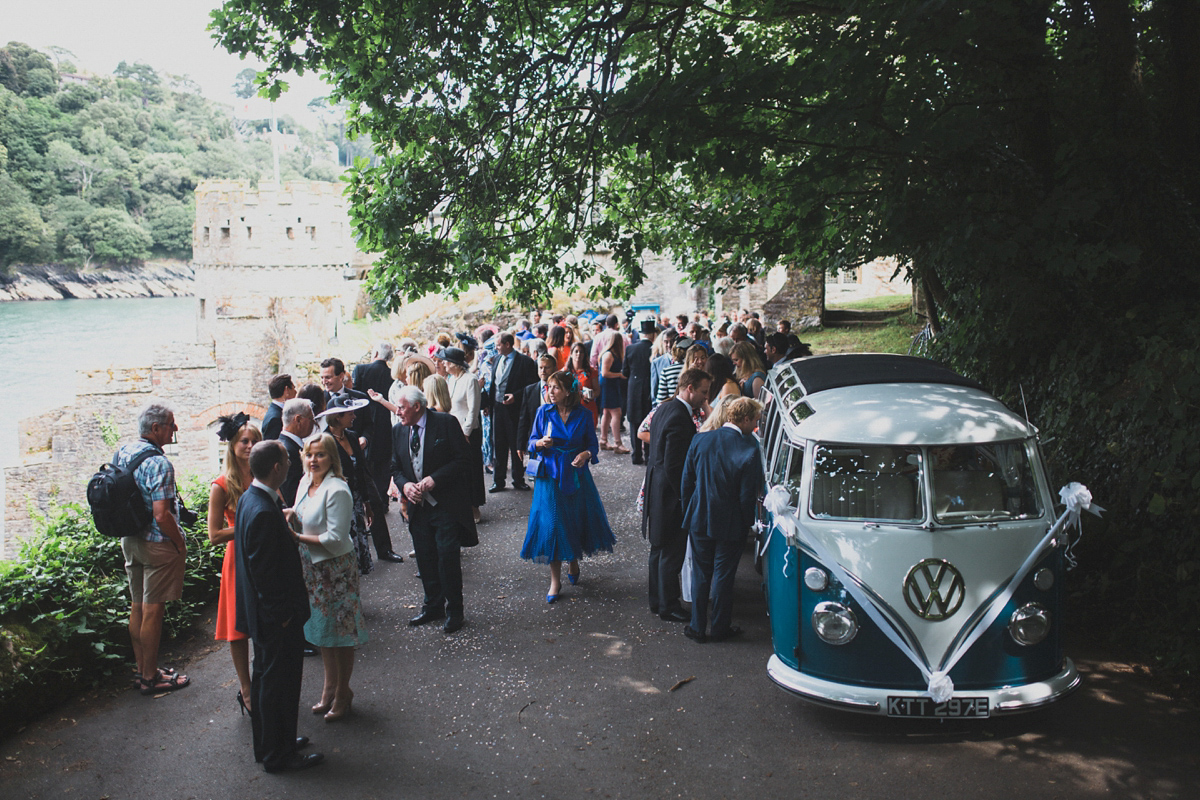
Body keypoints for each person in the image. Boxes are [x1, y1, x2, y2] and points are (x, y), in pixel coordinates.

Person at [235, 440, 323, 773]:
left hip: (265, 618)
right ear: (276, 468)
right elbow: (264, 573)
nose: (292, 462)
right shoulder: (260, 510)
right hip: (275, 619)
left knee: (269, 683)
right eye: (288, 459)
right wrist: (284, 616)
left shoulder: (252, 499)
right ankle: (278, 755)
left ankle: (275, 742)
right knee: (278, 686)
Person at [290, 434, 368, 722]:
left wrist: (296, 537)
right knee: (323, 630)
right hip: (312, 567)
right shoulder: (304, 483)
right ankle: (329, 686)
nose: (313, 460)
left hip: (335, 569)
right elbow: (301, 515)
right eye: (309, 455)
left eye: (320, 455)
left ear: (331, 457)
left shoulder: (337, 489)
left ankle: (343, 691)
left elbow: (336, 539)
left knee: (341, 631)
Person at [116, 403, 190, 696]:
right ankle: (150, 678)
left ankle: (142, 669)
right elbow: (162, 514)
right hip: (157, 544)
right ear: (156, 428)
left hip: (130, 540)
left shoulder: (123, 452)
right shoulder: (159, 463)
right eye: (172, 424)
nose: (175, 430)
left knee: (137, 606)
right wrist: (179, 541)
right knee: (153, 611)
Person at [521, 371, 615, 602]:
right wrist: (540, 443)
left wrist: (585, 454)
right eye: (549, 387)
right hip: (549, 474)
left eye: (555, 388)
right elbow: (531, 442)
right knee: (553, 525)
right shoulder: (543, 412)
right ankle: (555, 580)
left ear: (568, 391)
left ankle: (572, 560)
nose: (550, 392)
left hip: (575, 473)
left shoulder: (583, 414)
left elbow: (593, 445)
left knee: (573, 520)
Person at [392, 385, 478, 633]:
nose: (397, 412)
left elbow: (464, 460)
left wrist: (434, 479)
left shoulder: (445, 423)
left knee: (447, 557)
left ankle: (455, 611)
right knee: (425, 557)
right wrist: (405, 485)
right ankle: (433, 606)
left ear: (417, 407)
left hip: (446, 505)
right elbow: (395, 467)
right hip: (418, 508)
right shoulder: (398, 431)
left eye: (401, 407)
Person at [681, 397, 764, 643]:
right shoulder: (749, 449)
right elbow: (747, 495)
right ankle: (719, 627)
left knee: (701, 574)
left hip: (699, 516)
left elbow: (687, 481)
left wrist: (690, 510)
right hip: (730, 522)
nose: (757, 425)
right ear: (746, 419)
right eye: (756, 420)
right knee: (723, 576)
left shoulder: (701, 439)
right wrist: (748, 523)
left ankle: (697, 626)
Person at [643, 369, 711, 623]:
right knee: (671, 552)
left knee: (658, 549)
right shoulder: (680, 417)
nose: (705, 398)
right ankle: (668, 605)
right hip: (670, 495)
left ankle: (657, 600)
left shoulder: (665, 408)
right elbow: (674, 464)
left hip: (658, 490)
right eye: (703, 392)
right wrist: (685, 496)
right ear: (689, 388)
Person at [207, 413, 261, 712]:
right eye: (244, 441)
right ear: (232, 445)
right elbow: (214, 535)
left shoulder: (263, 476)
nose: (250, 446)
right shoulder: (221, 485)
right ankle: (246, 688)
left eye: (255, 441)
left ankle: (264, 684)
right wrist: (248, 524)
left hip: (264, 556)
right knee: (237, 629)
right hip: (238, 560)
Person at [316, 393, 381, 577]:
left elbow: (360, 472)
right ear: (338, 417)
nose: (354, 417)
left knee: (359, 543)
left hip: (356, 500)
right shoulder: (324, 441)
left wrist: (367, 503)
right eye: (350, 414)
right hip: (337, 503)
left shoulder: (352, 437)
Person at [352, 342, 404, 563]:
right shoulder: (391, 374)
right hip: (386, 423)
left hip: (365, 423)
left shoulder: (361, 370)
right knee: (384, 464)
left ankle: (373, 504)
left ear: (374, 354)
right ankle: (381, 500)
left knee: (369, 464)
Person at [488, 332, 538, 492]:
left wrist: (515, 397)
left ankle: (518, 479)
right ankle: (498, 480)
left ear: (507, 344)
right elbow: (494, 385)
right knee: (499, 444)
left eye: (498, 344)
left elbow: (532, 386)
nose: (496, 347)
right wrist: (488, 404)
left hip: (516, 410)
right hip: (497, 408)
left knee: (516, 443)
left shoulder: (525, 362)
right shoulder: (496, 359)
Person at [441, 346, 486, 521]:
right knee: (457, 471)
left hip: (469, 433)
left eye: (446, 361)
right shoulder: (451, 380)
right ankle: (462, 505)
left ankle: (474, 506)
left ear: (455, 364)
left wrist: (466, 433)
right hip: (453, 430)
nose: (443, 364)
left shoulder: (470, 380)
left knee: (472, 470)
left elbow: (473, 410)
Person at [623, 319, 657, 465]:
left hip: (634, 388)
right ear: (653, 334)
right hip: (650, 387)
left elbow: (625, 372)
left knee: (635, 421)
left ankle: (636, 455)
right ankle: (649, 455)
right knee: (649, 421)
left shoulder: (630, 349)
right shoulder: (656, 350)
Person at [279, 399, 316, 507]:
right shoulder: (288, 451)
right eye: (311, 419)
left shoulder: (289, 446)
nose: (313, 423)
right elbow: (292, 496)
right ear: (298, 420)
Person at [597, 325, 628, 453]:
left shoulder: (610, 354)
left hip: (610, 385)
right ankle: (617, 443)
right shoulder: (609, 355)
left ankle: (603, 440)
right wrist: (619, 375)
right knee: (616, 413)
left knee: (607, 413)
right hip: (608, 386)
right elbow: (604, 373)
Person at [568, 342, 598, 425]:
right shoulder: (565, 372)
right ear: (571, 354)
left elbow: (597, 391)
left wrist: (591, 395)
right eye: (576, 351)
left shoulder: (591, 372)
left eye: (581, 352)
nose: (579, 354)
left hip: (588, 407)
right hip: (571, 409)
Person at [262, 374, 296, 440]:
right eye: (293, 388)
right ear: (287, 390)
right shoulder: (275, 418)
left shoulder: (275, 412)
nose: (296, 392)